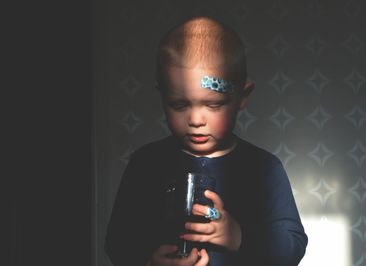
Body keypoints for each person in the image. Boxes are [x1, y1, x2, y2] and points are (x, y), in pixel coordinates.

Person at [104, 16, 308, 266]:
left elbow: (293, 245)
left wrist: (239, 237)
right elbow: (118, 241)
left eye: (213, 104)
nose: (196, 119)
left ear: (242, 96)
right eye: (179, 104)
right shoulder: (146, 163)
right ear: (162, 96)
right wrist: (148, 262)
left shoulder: (263, 168)